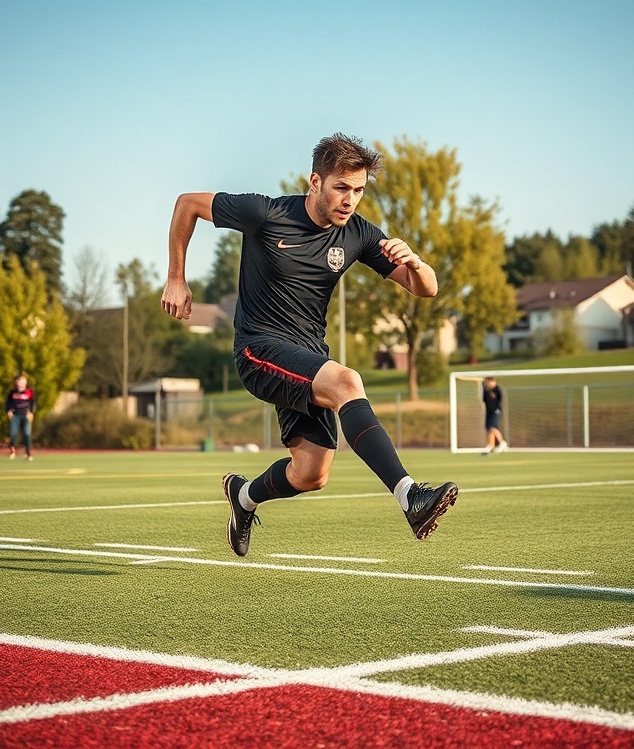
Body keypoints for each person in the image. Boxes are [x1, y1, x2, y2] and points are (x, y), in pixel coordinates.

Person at [161, 133, 458, 557]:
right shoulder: (265, 212)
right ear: (315, 181)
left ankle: (243, 497)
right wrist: (176, 277)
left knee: (311, 473)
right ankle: (410, 496)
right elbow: (187, 203)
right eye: (341, 187)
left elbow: (424, 289)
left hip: (308, 357)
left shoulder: (358, 233)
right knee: (347, 381)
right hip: (258, 349)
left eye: (359, 190)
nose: (350, 200)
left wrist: (416, 262)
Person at [6, 374, 37, 460]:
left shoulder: (29, 392)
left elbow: (33, 403)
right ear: (16, 383)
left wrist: (31, 412)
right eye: (20, 382)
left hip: (26, 416)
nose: (22, 384)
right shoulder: (12, 392)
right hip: (15, 416)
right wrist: (8, 411)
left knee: (27, 434)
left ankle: (28, 453)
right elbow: (8, 403)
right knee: (13, 433)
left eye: (23, 382)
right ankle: (12, 450)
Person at [481, 376, 507, 454]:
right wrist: (483, 386)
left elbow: (499, 399)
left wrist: (496, 409)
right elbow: (484, 400)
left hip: (496, 411)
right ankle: (490, 445)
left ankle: (502, 443)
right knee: (489, 428)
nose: (489, 384)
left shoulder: (497, 389)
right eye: (487, 382)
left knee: (493, 427)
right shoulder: (486, 391)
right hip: (489, 411)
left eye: (491, 382)